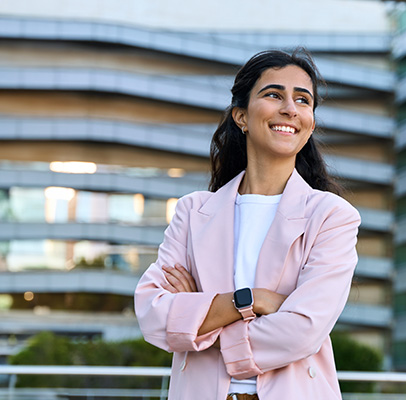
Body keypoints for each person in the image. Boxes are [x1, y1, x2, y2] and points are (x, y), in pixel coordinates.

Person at [134, 49, 361, 400]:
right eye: (273, 94)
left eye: (303, 100)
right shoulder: (193, 211)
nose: (290, 108)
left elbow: (302, 329)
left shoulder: (332, 216)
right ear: (241, 115)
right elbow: (153, 315)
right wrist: (252, 300)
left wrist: (198, 320)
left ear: (310, 122)